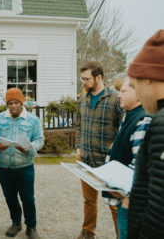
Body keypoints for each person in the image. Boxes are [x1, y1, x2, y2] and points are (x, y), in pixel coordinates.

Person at [0, 88, 44, 239]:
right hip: (4, 167)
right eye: (10, 103)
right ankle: (16, 222)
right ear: (7, 104)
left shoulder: (33, 120)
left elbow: (40, 139)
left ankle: (31, 227)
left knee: (28, 198)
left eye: (16, 102)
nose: (13, 106)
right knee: (10, 197)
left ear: (21, 102)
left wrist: (31, 147)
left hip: (25, 166)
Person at [76, 61, 123, 239]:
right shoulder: (83, 98)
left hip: (108, 163)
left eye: (87, 79)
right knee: (89, 201)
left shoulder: (115, 99)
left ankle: (122, 235)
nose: (84, 82)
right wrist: (78, 150)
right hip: (86, 161)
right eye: (82, 79)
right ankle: (88, 231)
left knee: (114, 203)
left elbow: (123, 129)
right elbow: (79, 126)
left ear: (99, 77)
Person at [102, 78, 151, 239]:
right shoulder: (128, 115)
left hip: (130, 200)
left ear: (139, 94)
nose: (118, 96)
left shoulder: (143, 119)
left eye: (124, 91)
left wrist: (123, 190)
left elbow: (140, 164)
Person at [127, 29, 164, 239]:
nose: (137, 94)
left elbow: (159, 210)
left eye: (134, 85)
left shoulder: (161, 124)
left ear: (149, 78)